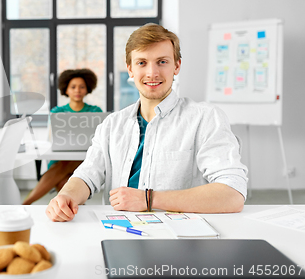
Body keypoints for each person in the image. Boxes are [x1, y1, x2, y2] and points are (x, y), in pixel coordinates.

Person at [46, 24, 248, 222]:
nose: (152, 73)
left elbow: (233, 193)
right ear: (130, 69)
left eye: (162, 62)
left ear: (176, 66)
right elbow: (88, 175)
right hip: (120, 231)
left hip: (180, 238)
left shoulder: (205, 118)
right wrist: (67, 196)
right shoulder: (111, 125)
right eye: (142, 62)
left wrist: (149, 199)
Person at [23, 69, 102, 205]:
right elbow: (52, 138)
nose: (77, 90)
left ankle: (25, 204)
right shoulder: (57, 112)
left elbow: (99, 141)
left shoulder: (95, 111)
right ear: (66, 90)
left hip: (85, 158)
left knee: (68, 169)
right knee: (63, 181)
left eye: (82, 87)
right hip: (61, 159)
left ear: (87, 89)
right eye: (73, 87)